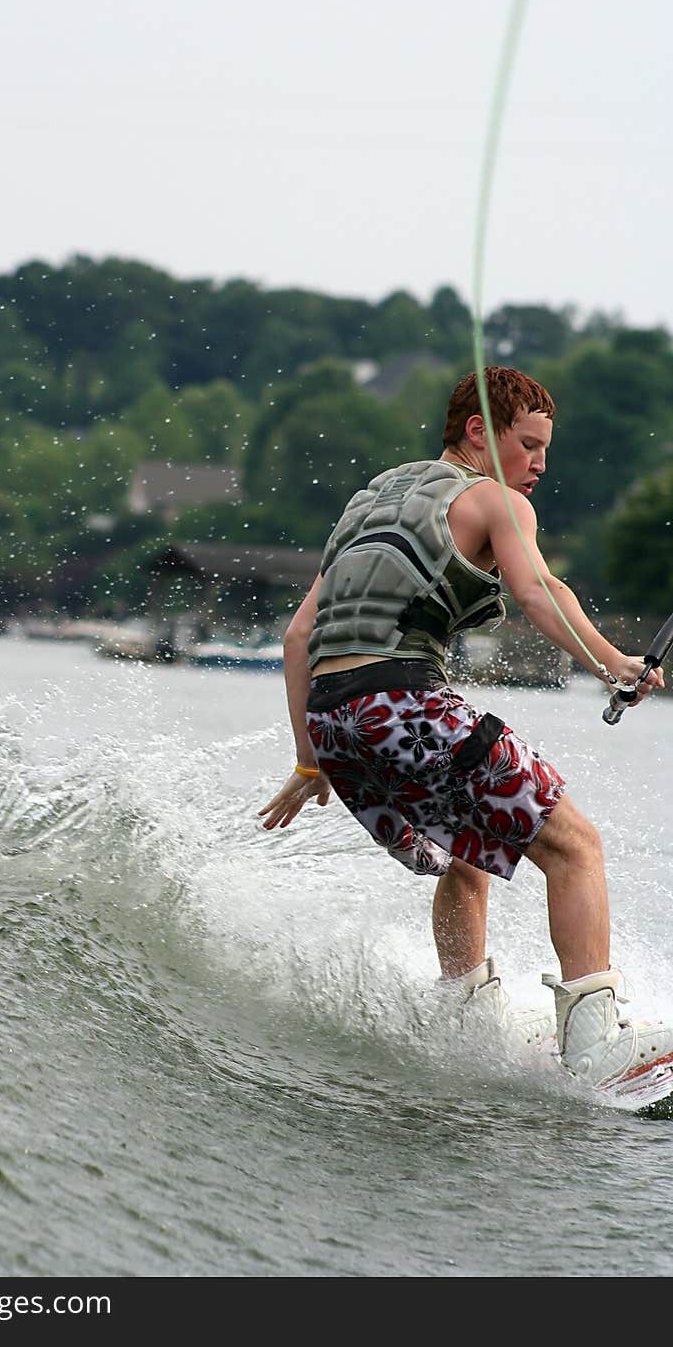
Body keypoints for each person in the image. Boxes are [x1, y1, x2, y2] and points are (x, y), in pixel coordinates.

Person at [259, 365, 672, 1093]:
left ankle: (467, 1030)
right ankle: (597, 1044)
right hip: (403, 703)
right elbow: (540, 589)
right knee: (575, 847)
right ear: (480, 431)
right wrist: (615, 666)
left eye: (547, 450)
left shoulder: (369, 502)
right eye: (530, 445)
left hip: (333, 723)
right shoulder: (494, 500)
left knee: (463, 855)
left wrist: (308, 760)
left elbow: (300, 638)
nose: (540, 464)